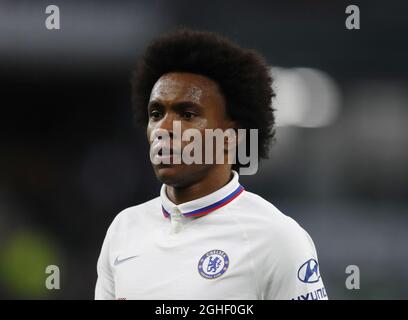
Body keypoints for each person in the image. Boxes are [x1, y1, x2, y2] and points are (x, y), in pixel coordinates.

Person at [95, 29, 327, 300]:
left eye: (187, 113)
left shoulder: (276, 239)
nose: (163, 128)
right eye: (156, 113)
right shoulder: (123, 230)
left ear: (231, 137)